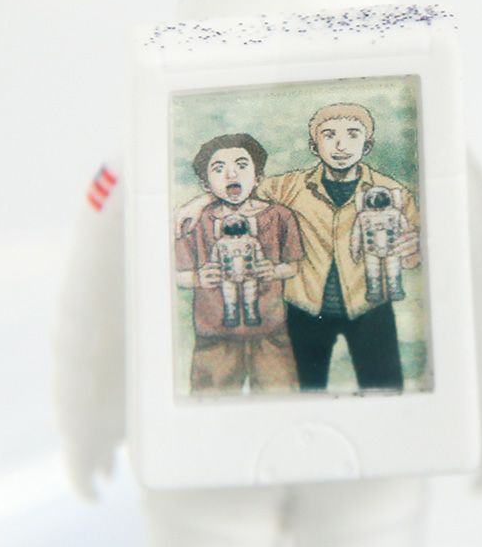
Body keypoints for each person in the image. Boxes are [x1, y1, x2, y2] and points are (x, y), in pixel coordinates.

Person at [178, 104, 420, 390]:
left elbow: (414, 257)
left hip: (370, 306)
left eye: (353, 134)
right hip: (305, 310)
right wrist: (200, 201)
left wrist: (414, 247)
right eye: (329, 135)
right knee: (303, 393)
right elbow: (239, 186)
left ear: (367, 145)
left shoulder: (394, 193)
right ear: (313, 146)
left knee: (384, 389)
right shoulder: (288, 187)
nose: (341, 145)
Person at [175, 133, 303, 393]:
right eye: (219, 168)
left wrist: (274, 270)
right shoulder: (195, 222)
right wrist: (198, 278)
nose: (231, 175)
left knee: (279, 398)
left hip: (270, 330)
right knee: (211, 401)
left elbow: (294, 266)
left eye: (242, 166)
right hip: (214, 333)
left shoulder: (280, 216)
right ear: (206, 184)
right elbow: (176, 275)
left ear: (258, 177)